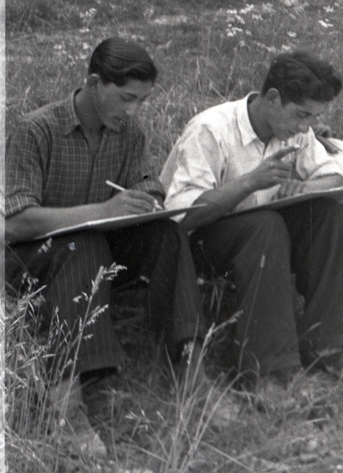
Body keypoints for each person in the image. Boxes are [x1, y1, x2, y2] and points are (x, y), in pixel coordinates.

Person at [6, 38, 210, 458]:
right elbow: (16, 223)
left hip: (94, 249)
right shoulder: (36, 129)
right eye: (126, 98)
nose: (133, 110)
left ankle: (192, 372)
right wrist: (103, 209)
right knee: (85, 242)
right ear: (95, 83)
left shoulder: (128, 131)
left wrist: (147, 198)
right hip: (32, 258)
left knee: (166, 235)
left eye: (142, 100)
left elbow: (146, 181)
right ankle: (69, 406)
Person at [161, 51, 343, 392]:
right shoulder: (211, 129)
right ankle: (267, 368)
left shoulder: (295, 129)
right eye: (300, 115)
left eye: (312, 118)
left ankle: (330, 344)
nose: (304, 127)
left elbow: (336, 177)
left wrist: (306, 185)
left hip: (262, 232)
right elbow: (182, 216)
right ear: (272, 98)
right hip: (200, 241)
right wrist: (251, 182)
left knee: (326, 213)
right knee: (266, 225)